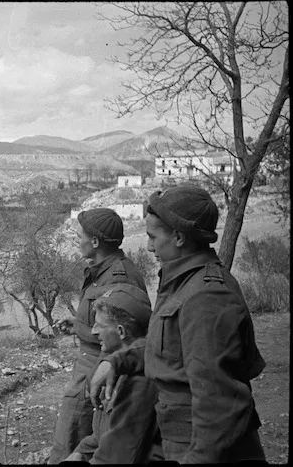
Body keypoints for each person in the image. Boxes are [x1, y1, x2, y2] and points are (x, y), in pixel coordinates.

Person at [89, 185, 266, 463]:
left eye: (153, 237)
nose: (148, 247)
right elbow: (172, 349)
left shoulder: (207, 296)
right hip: (180, 439)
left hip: (202, 448)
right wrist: (116, 361)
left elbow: (218, 404)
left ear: (179, 237)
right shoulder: (182, 282)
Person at [47, 208, 147, 464]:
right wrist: (79, 326)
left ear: (94, 242)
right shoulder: (103, 270)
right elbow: (106, 323)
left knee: (70, 447)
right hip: (91, 368)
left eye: (79, 236)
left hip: (96, 372)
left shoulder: (118, 278)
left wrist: (104, 369)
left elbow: (124, 335)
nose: (76, 240)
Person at [64, 283, 162, 464]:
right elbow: (100, 437)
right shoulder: (114, 369)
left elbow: (116, 457)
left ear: (121, 332)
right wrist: (80, 453)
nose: (93, 331)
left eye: (100, 325)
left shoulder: (138, 382)